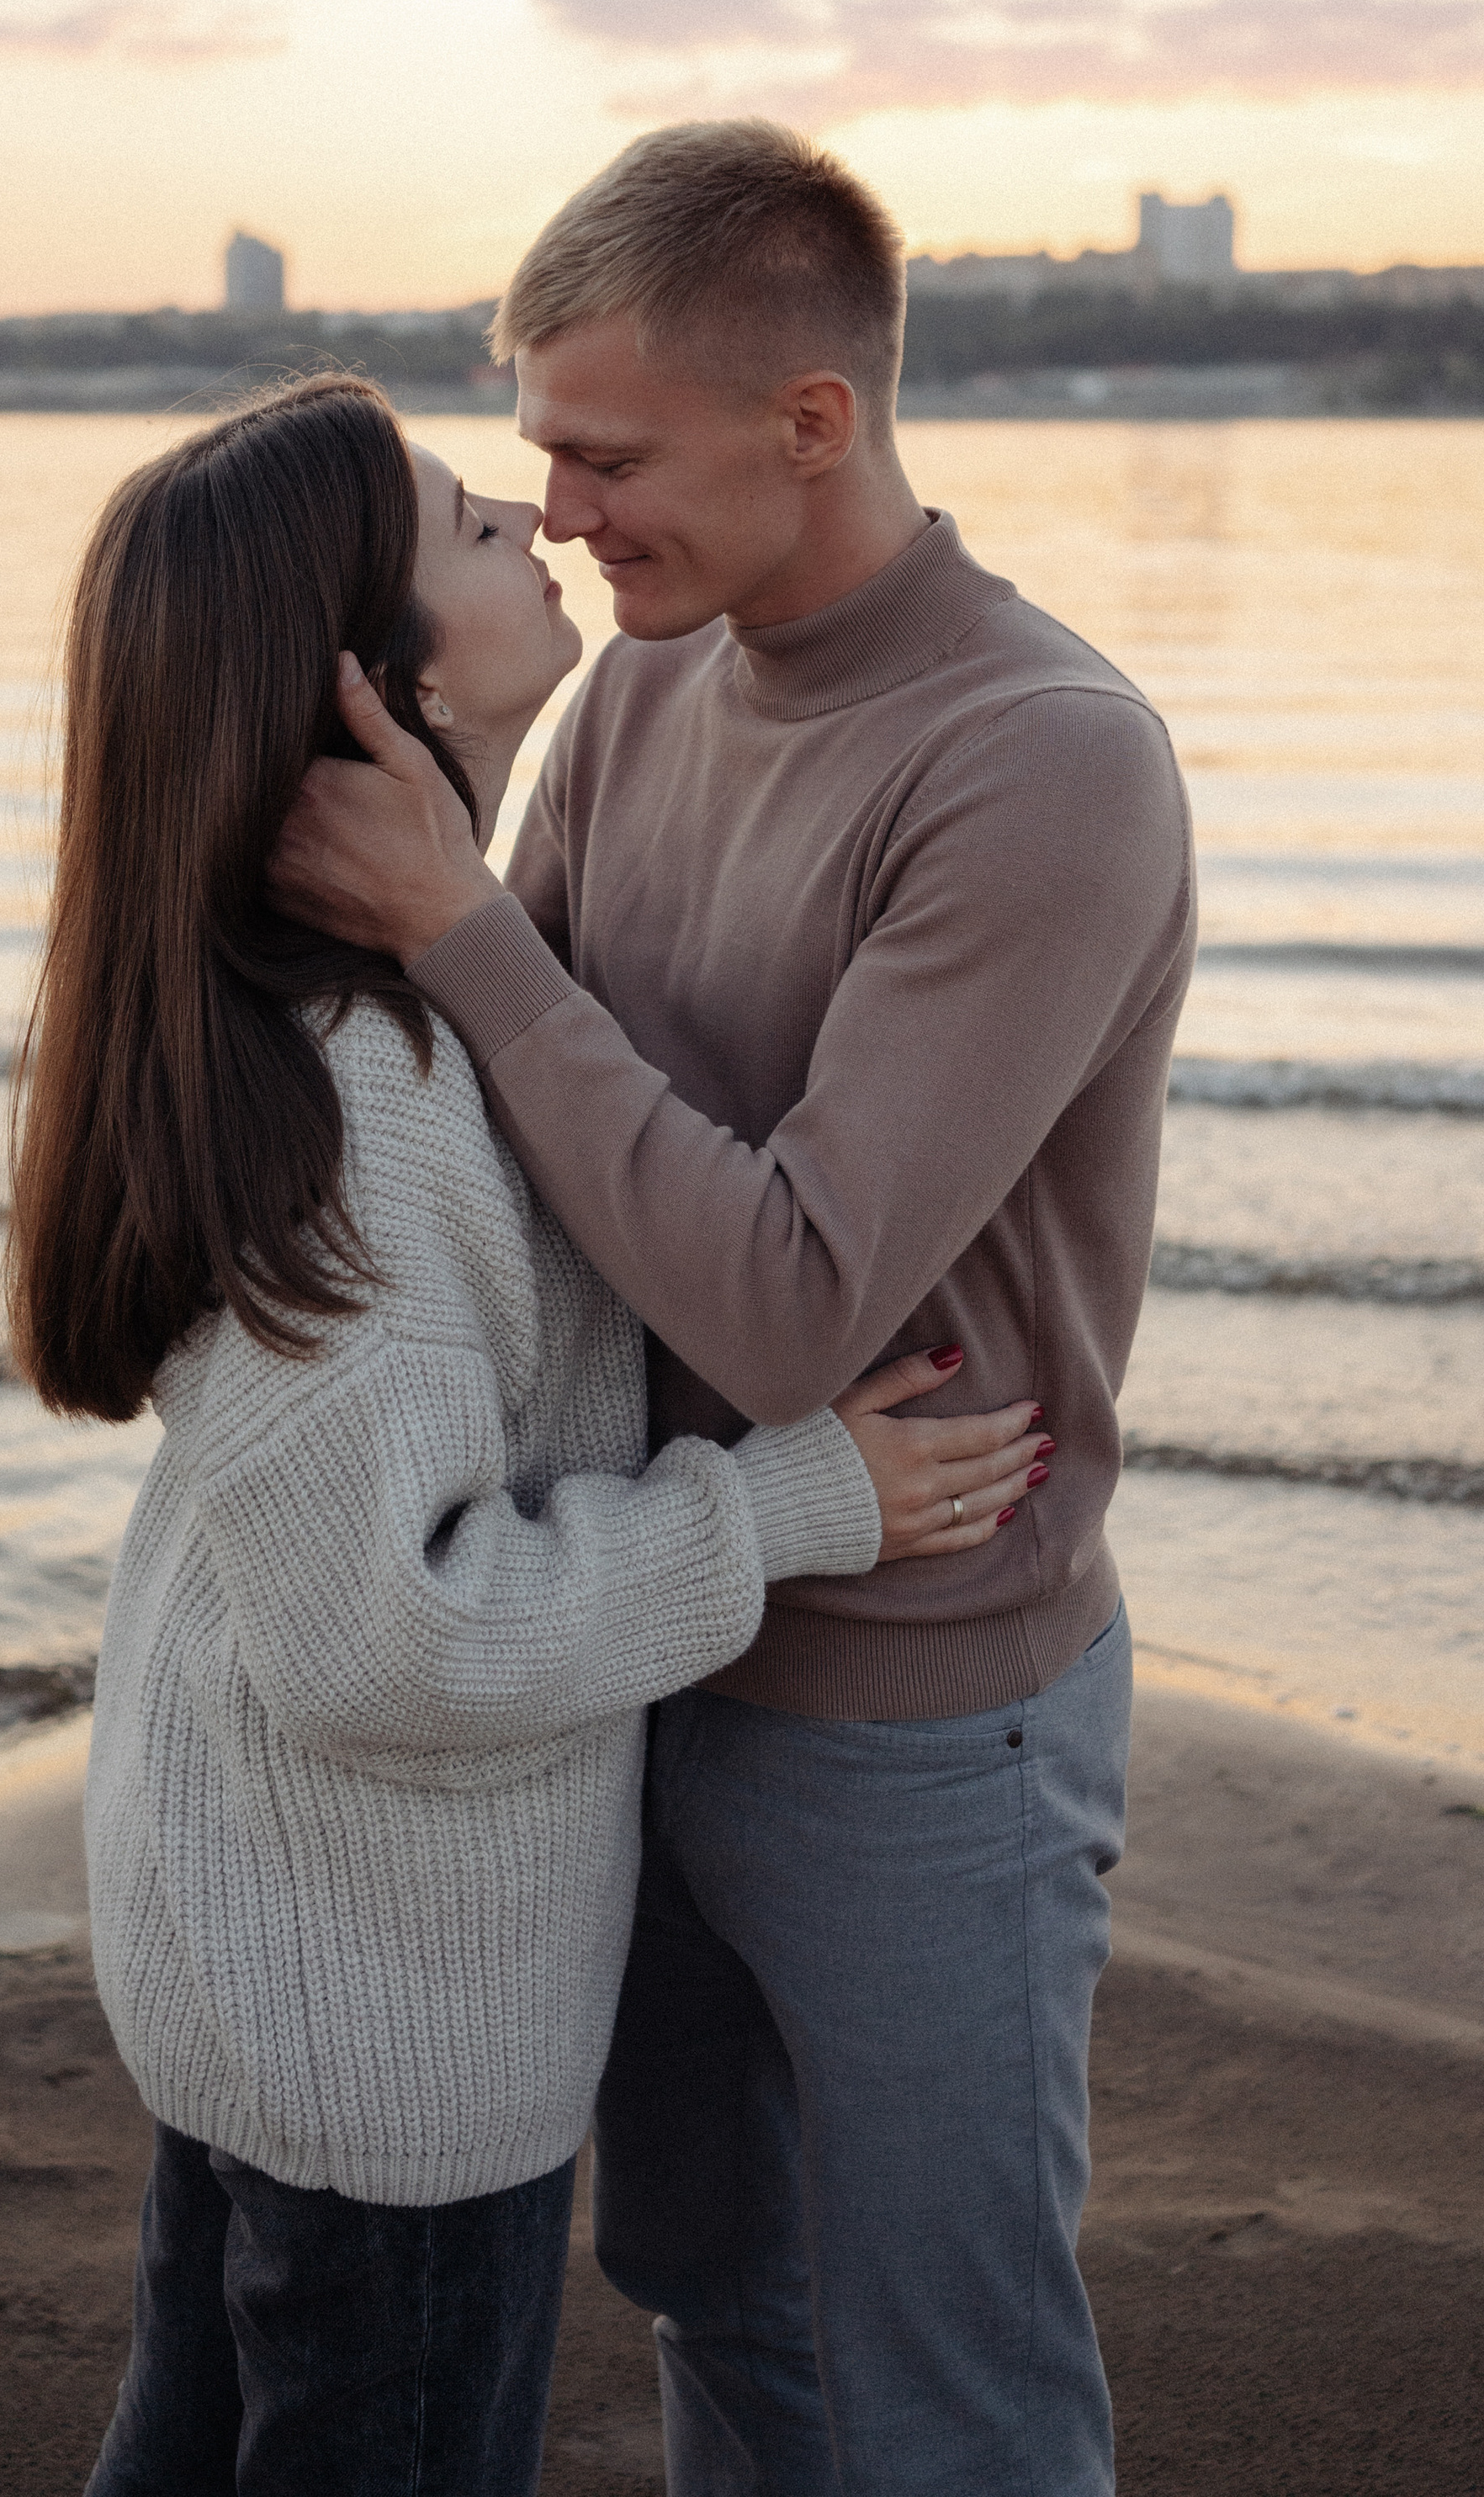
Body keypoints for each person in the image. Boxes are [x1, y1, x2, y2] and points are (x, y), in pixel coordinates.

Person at [4, 374, 1049, 2497]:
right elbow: (397, 1641)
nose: (539, 518)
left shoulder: (401, 1011)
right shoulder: (362, 1099)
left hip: (296, 1951)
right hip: (376, 2015)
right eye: (469, 525)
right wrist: (788, 1501)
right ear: (374, 686)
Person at [269, 126, 1198, 2497]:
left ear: (810, 420)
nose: (555, 510)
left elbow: (788, 1306)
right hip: (639, 1635)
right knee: (712, 2292)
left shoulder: (1041, 763)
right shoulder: (647, 693)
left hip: (920, 1708)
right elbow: (527, 1151)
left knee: (947, 2388)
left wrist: (461, 925)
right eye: (538, 453)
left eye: (605, 455)